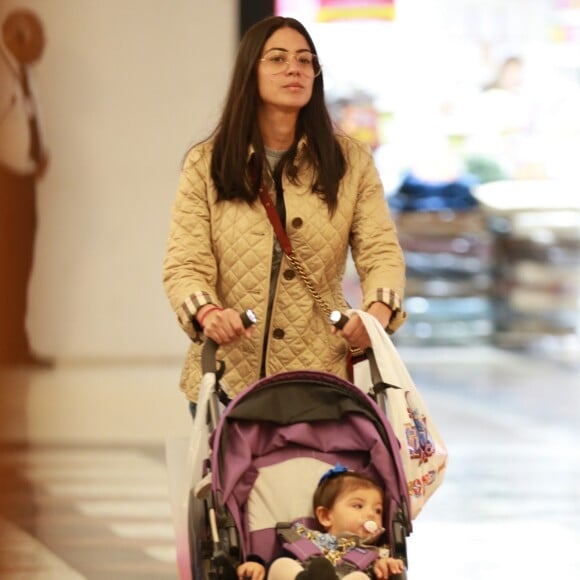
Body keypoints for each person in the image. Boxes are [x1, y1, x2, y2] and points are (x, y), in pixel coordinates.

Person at [163, 16, 406, 409]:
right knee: (231, 474)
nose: (294, 68)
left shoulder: (351, 162)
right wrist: (207, 312)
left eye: (305, 60)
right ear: (250, 73)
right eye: (277, 59)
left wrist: (375, 316)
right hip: (229, 377)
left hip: (323, 378)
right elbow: (184, 262)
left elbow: (381, 252)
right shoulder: (207, 162)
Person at [237, 466, 406, 579]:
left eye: (378, 510)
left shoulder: (376, 555)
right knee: (282, 565)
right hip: (308, 573)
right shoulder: (304, 540)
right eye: (358, 506)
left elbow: (386, 571)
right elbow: (273, 566)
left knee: (359, 578)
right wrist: (257, 566)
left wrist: (388, 568)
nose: (371, 514)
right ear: (326, 516)